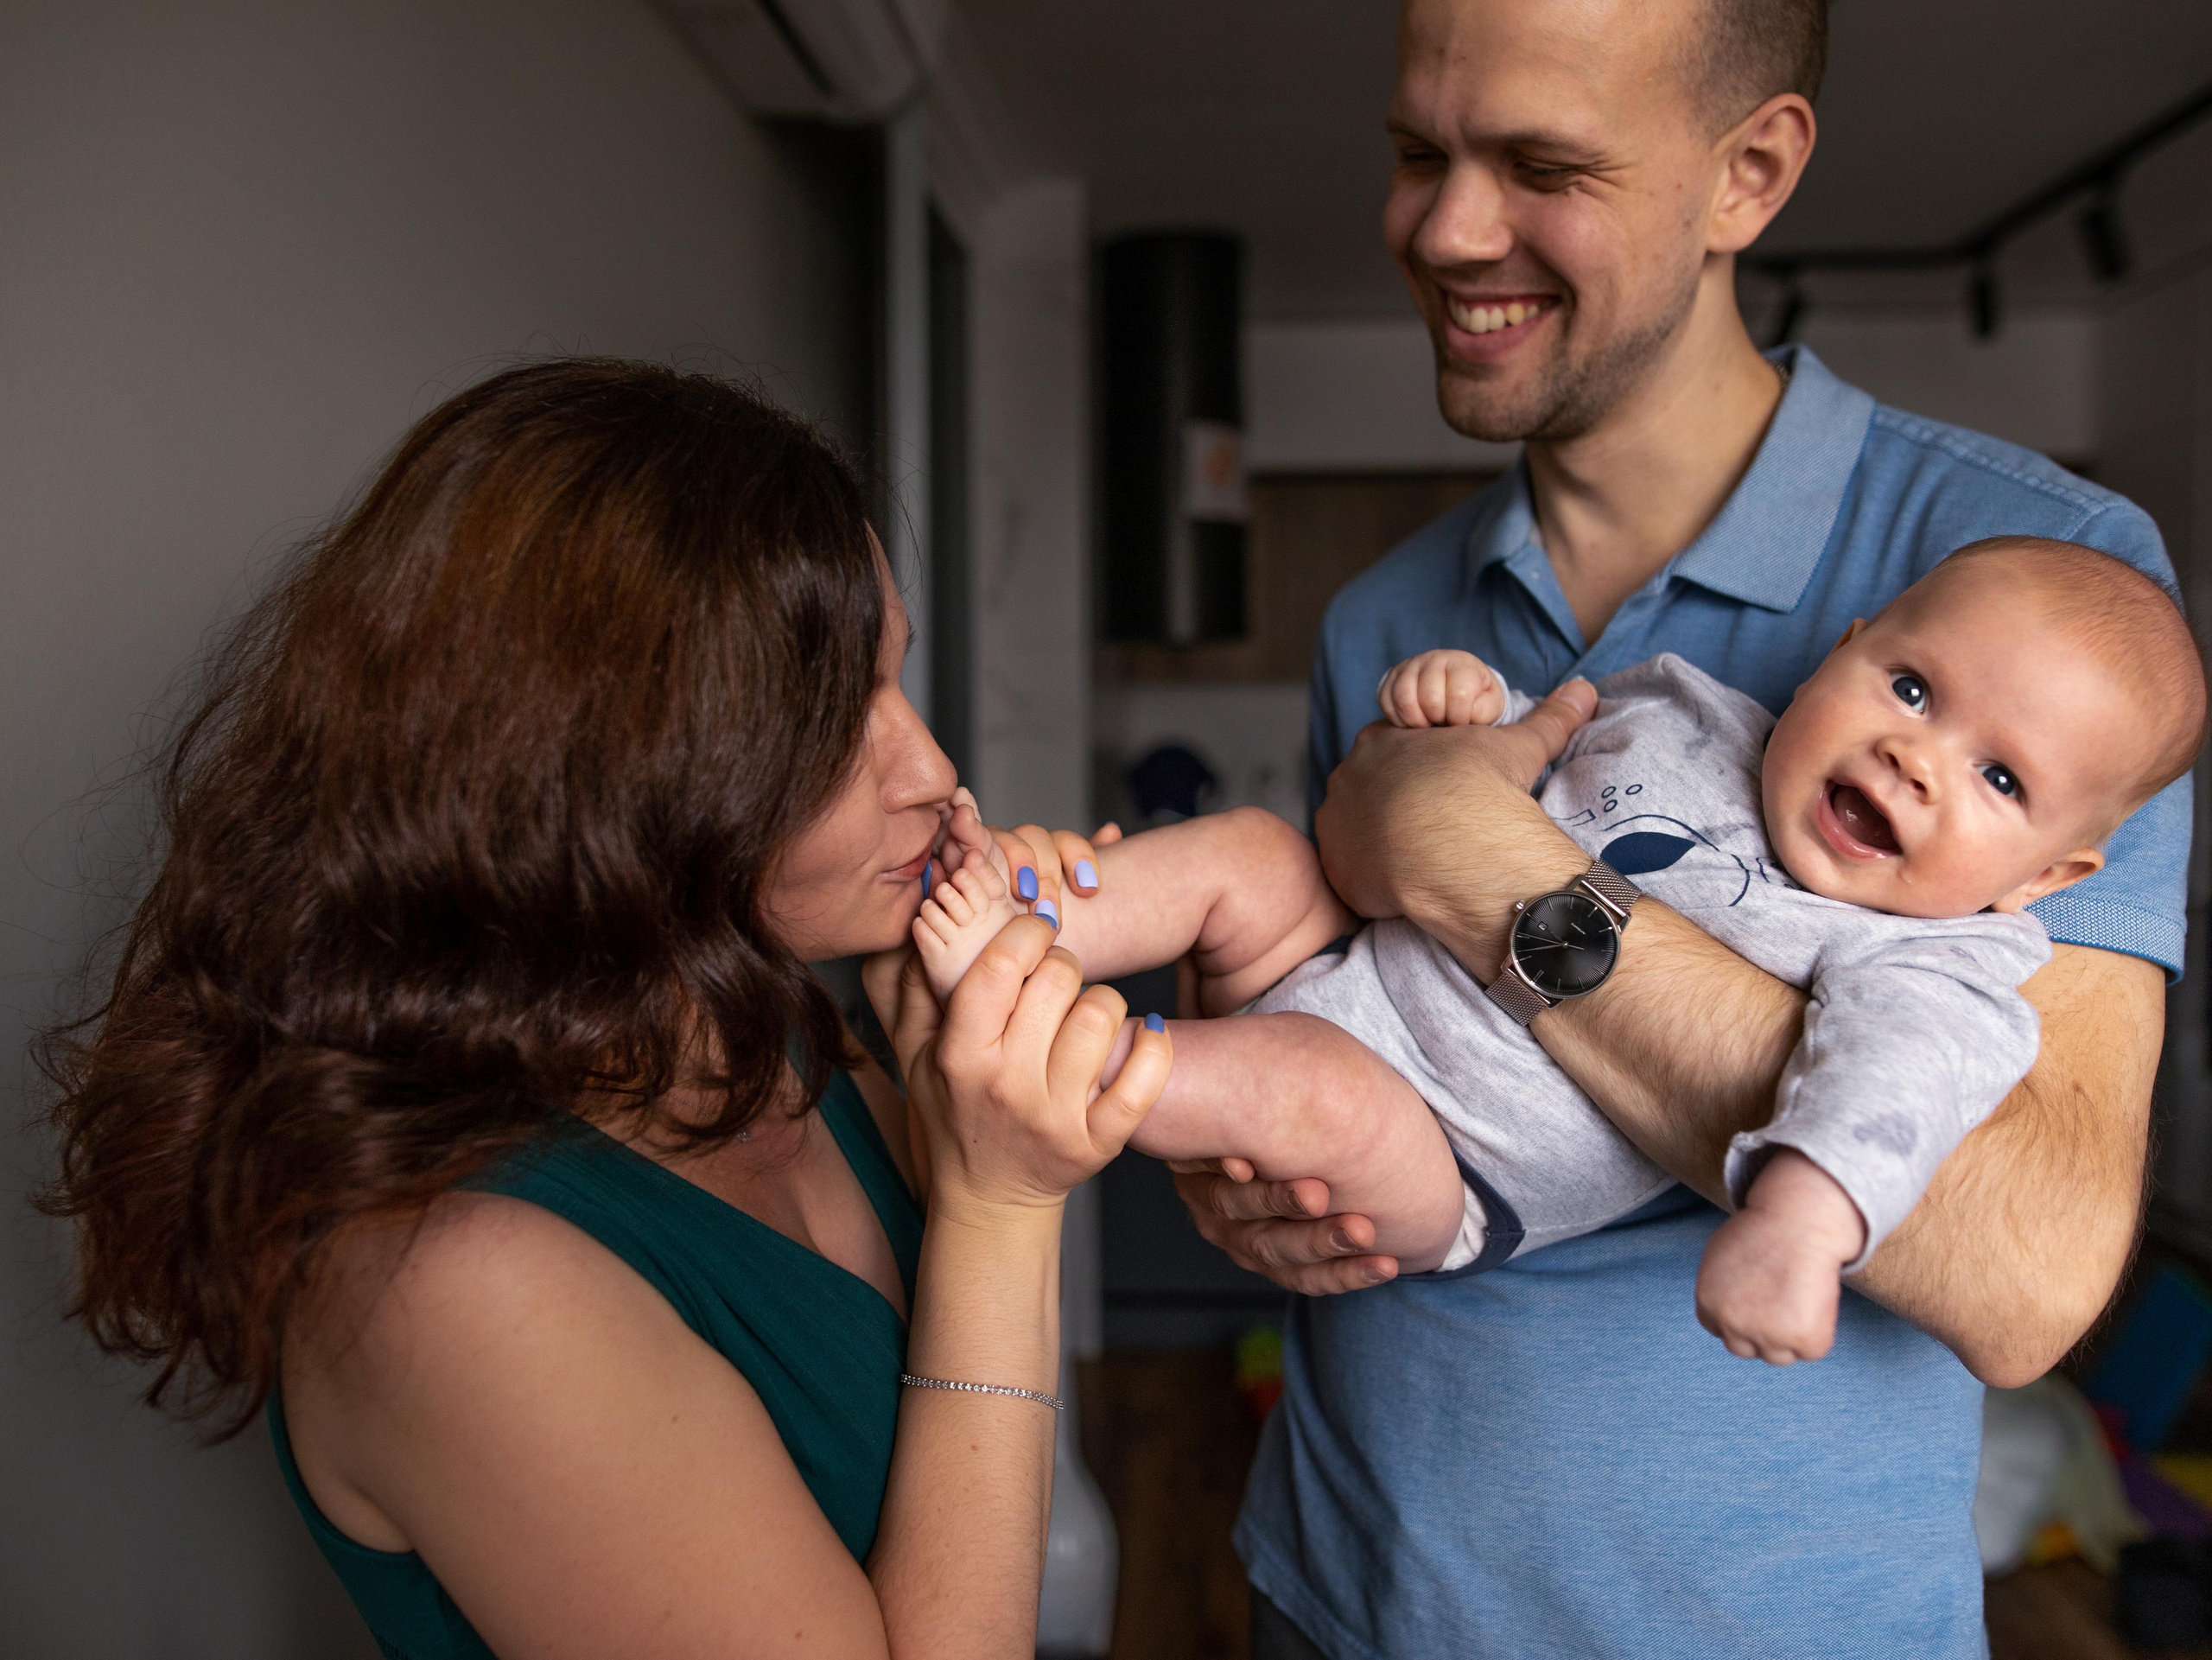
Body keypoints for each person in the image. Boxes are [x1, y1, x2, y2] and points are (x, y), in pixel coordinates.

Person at [1161, 1, 2197, 1655]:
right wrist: (1251, 1159)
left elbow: (2028, 1269)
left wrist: (1482, 860)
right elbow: (1356, 1020)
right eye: (1421, 152)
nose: (1445, 229)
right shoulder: (1386, 612)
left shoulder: (2046, 592)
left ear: (1752, 172)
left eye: (1544, 165)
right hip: (1340, 1591)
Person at [37, 359, 1160, 1660]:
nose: (933, 770)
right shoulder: (446, 1284)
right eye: (829, 718)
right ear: (605, 778)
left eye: (894, 681)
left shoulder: (778, 1027)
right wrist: (1004, 1205)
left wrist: (961, 1082)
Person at [913, 538, 2204, 1368]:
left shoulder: (1940, 964)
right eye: (1912, 688)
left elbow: (1891, 1090)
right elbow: (1499, 764)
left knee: (1309, 1090)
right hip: (1349, 959)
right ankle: (1014, 898)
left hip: (1442, 1147)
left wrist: (1804, 1221)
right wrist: (1458, 711)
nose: (1915, 760)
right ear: (1848, 644)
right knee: (1250, 849)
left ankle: (1047, 1047)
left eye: (1996, 776)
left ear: (2048, 878)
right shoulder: (1683, 702)